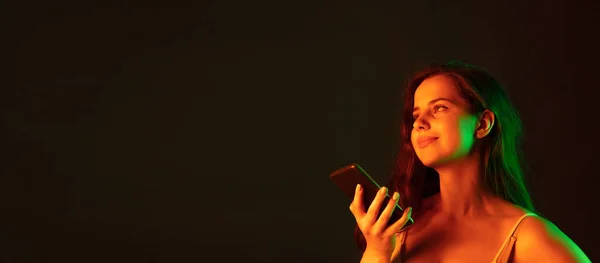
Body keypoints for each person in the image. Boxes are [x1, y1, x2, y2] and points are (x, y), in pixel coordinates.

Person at [348, 60, 590, 263]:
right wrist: (376, 250)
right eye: (416, 115)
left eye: (439, 108)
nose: (420, 123)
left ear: (482, 124)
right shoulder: (399, 225)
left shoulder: (526, 236)